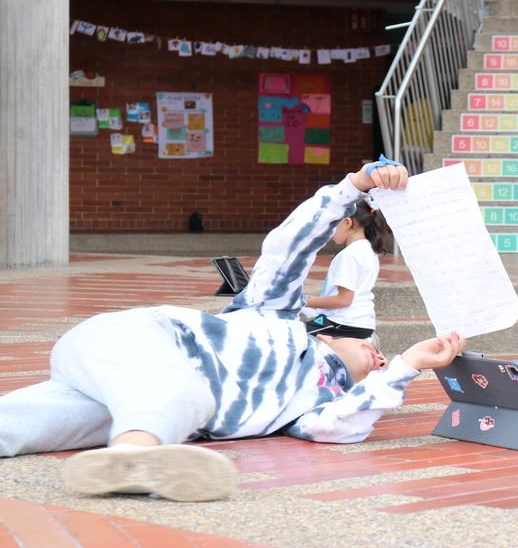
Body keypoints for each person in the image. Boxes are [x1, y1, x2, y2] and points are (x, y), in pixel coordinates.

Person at [0, 158, 466, 502]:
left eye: (381, 361)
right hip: (142, 342)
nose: (379, 357)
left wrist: (407, 366)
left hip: (152, 410)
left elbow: (344, 424)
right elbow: (289, 247)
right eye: (377, 348)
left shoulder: (310, 409)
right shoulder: (273, 314)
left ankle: (131, 452)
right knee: (177, 396)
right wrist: (353, 186)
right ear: (324, 335)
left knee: (34, 423)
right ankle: (137, 458)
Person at [303, 198, 390, 342]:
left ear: (347, 222)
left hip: (343, 322)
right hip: (362, 323)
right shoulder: (368, 250)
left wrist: (305, 301)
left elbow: (344, 301)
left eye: (332, 224)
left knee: (293, 334)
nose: (328, 231)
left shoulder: (349, 255)